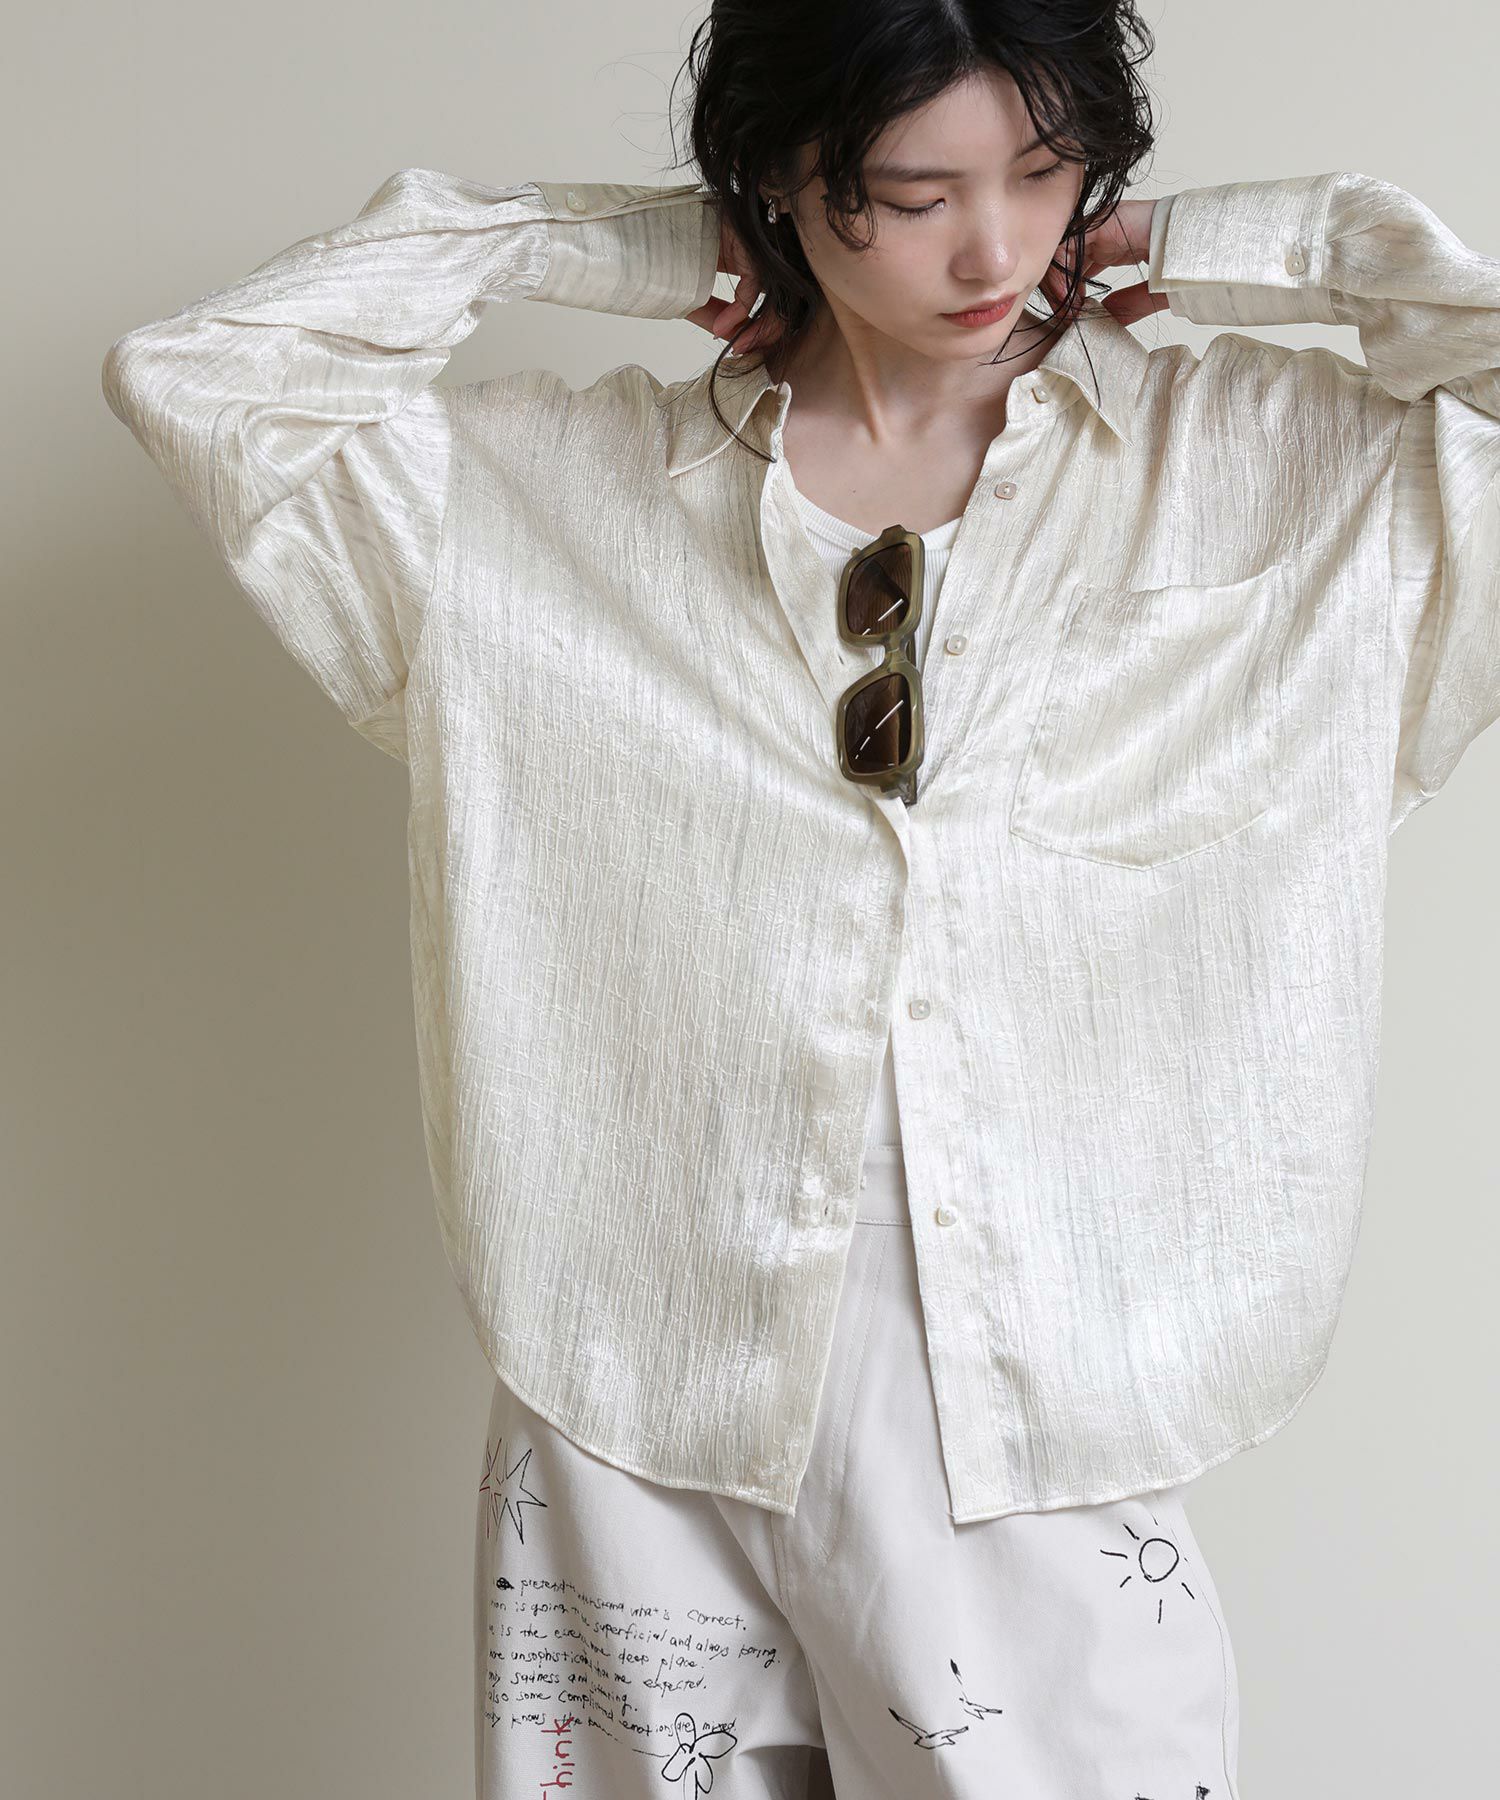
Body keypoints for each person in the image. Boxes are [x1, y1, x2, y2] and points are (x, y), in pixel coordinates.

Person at [100, 1, 1499, 1796]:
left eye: (1047, 174)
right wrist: (618, 247)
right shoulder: (542, 496)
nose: (996, 251)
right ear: (782, 179)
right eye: (912, 195)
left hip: (1026, 1387)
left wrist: (1249, 243)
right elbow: (206, 377)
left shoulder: (1273, 473)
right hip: (629, 1357)